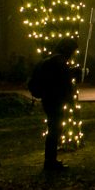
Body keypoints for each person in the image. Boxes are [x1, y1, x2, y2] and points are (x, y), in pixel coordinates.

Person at [33, 38, 79, 171]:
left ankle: (51, 160)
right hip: (54, 100)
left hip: (49, 99)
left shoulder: (52, 60)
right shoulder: (58, 62)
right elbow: (61, 81)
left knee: (53, 129)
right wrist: (73, 74)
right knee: (54, 130)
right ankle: (50, 162)